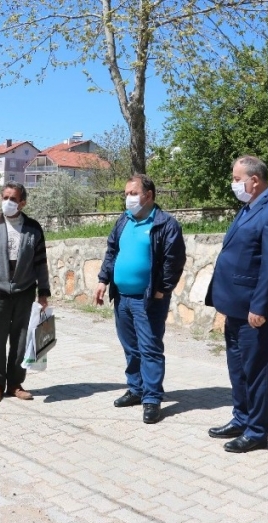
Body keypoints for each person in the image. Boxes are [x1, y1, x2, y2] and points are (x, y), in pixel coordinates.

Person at [204, 156, 268, 452]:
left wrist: (259, 306)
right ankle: (241, 417)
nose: (234, 184)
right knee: (238, 368)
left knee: (256, 370)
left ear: (254, 180)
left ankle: (256, 431)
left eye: (236, 178)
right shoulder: (249, 208)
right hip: (235, 305)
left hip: (255, 309)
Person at [93, 174, 186, 424]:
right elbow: (112, 251)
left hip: (148, 300)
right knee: (131, 347)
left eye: (133, 193)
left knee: (150, 349)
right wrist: (103, 280)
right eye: (126, 193)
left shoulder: (166, 224)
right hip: (122, 297)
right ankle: (136, 389)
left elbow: (173, 261)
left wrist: (162, 290)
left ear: (149, 195)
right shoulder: (124, 221)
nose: (128, 198)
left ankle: (152, 398)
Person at [0, 182, 50, 402]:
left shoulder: (33, 229)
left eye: (13, 199)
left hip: (24, 292)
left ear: (22, 203)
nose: (8, 202)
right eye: (5, 197)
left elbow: (41, 263)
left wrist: (43, 293)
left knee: (21, 341)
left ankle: (16, 384)